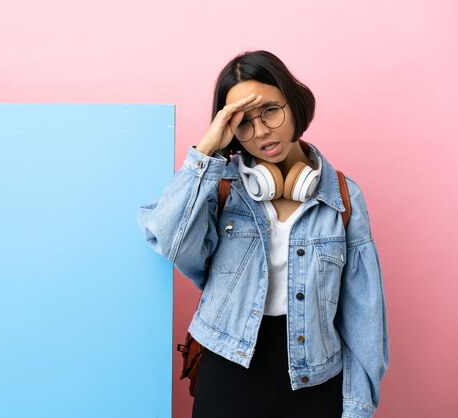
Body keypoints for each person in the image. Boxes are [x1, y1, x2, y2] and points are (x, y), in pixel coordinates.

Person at [137, 51, 389, 418]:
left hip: (315, 381)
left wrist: (357, 406)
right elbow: (167, 236)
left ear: (294, 101)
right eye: (243, 122)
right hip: (227, 372)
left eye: (270, 110)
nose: (260, 132)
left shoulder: (343, 197)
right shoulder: (220, 188)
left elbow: (365, 314)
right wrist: (207, 151)